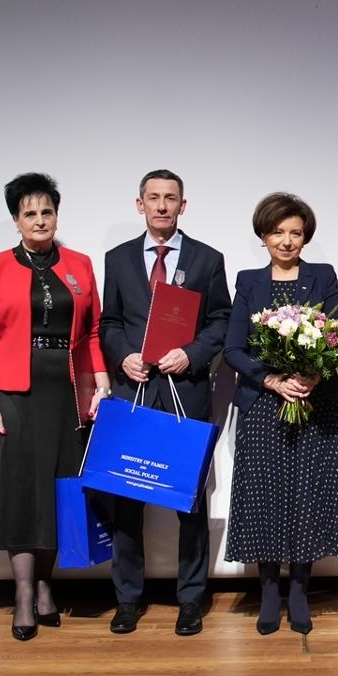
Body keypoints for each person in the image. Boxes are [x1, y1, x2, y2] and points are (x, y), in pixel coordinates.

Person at [0, 173, 110, 641]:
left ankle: (48, 582)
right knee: (21, 494)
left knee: (58, 491)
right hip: (13, 395)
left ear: (56, 215)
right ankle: (25, 593)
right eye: (29, 213)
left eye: (46, 211)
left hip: (66, 394)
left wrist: (100, 386)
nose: (40, 220)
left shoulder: (80, 264)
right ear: (16, 220)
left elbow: (91, 333)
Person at [99, 169, 232, 637]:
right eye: (152, 198)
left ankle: (191, 599)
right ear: (139, 204)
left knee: (189, 501)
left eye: (169, 198)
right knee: (126, 499)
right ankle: (128, 598)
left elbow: (221, 321)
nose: (161, 206)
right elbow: (109, 322)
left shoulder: (206, 260)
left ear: (182, 205)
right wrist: (124, 355)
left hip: (185, 392)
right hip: (133, 391)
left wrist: (191, 354)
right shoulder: (117, 259)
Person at [223, 192, 338, 636]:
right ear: (264, 235)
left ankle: (299, 588)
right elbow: (233, 348)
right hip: (263, 404)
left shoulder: (322, 276)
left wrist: (313, 375)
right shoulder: (248, 281)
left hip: (315, 403)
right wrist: (273, 380)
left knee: (306, 493)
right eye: (278, 232)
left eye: (295, 233)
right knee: (264, 496)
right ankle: (268, 591)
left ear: (306, 237)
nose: (286, 240)